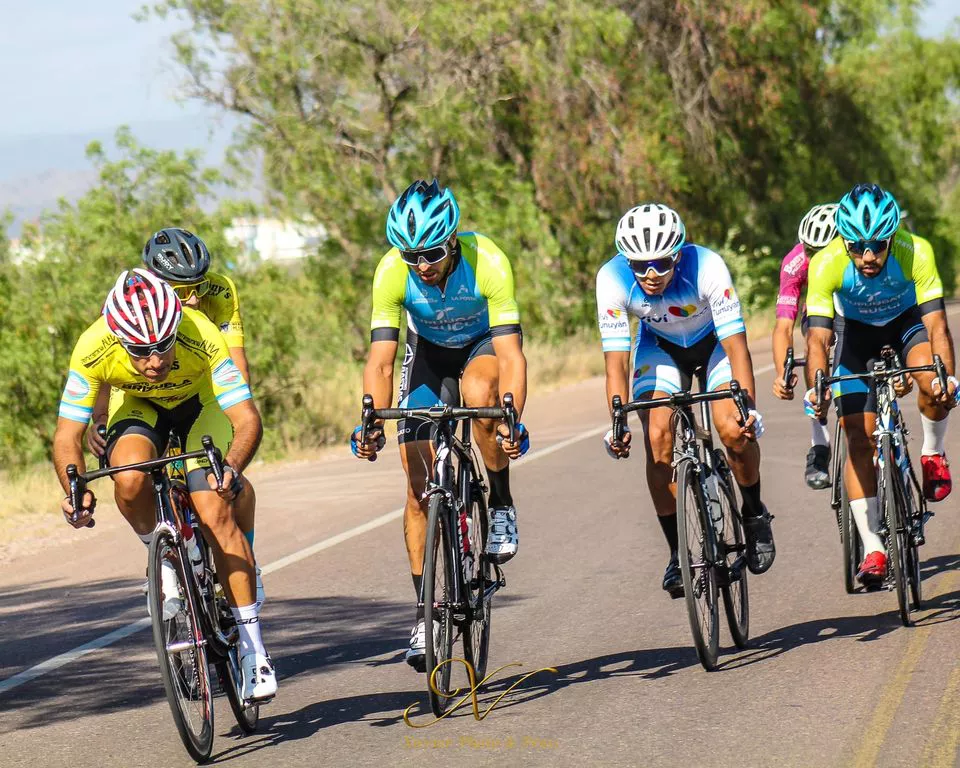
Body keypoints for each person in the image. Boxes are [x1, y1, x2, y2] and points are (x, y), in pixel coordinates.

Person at [53, 268, 277, 700]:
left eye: (162, 347)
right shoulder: (92, 346)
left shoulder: (201, 333)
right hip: (140, 407)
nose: (154, 361)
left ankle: (253, 651)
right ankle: (163, 553)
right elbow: (67, 435)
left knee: (213, 508)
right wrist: (73, 487)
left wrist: (229, 467)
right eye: (140, 351)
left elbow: (247, 418)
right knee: (130, 477)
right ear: (118, 338)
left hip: (202, 404)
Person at [350, 179, 529, 671]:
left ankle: (502, 500)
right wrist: (370, 418)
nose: (421, 265)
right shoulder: (391, 272)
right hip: (426, 354)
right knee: (415, 487)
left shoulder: (487, 260)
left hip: (481, 347)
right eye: (411, 256)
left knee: (479, 396)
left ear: (451, 240)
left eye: (430, 252)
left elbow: (512, 355)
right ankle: (426, 617)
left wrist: (512, 413)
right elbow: (382, 361)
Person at [598, 203, 775, 597]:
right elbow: (615, 363)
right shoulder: (610, 278)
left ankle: (754, 512)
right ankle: (678, 554)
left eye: (660, 263)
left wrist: (748, 407)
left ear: (678, 254)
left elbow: (738, 347)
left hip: (713, 344)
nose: (650, 274)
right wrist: (617, 423)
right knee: (657, 441)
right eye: (639, 265)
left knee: (733, 432)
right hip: (659, 348)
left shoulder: (707, 266)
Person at [85, 228, 265, 609]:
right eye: (183, 290)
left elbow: (236, 359)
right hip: (143, 397)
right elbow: (102, 369)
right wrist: (99, 419)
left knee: (227, 485)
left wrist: (238, 412)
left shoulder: (220, 292)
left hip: (202, 389)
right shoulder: (128, 302)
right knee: (135, 473)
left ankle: (246, 558)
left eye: (198, 284)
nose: (195, 297)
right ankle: (165, 553)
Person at [805, 183, 956, 587]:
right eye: (857, 247)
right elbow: (818, 338)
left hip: (905, 325)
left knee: (932, 380)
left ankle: (932, 452)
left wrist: (946, 379)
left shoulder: (915, 251)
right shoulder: (826, 263)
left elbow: (937, 325)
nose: (868, 256)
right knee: (857, 434)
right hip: (855, 337)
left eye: (876, 245)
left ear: (892, 238)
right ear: (844, 241)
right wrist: (816, 387)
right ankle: (873, 547)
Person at [771, 203, 839, 489]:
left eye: (823, 251)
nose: (815, 258)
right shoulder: (795, 262)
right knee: (815, 346)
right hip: (818, 311)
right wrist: (780, 373)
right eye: (810, 250)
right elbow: (783, 326)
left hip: (855, 307)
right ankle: (819, 442)